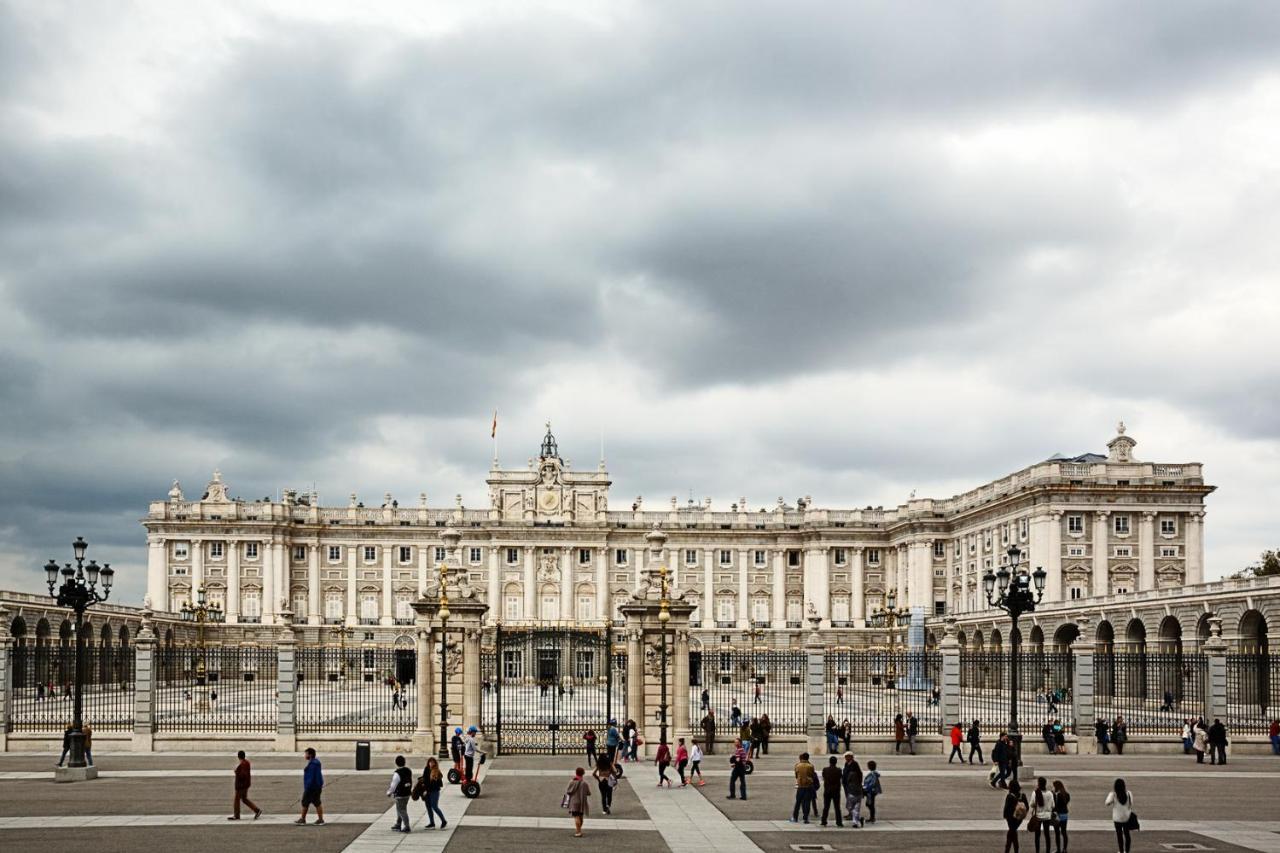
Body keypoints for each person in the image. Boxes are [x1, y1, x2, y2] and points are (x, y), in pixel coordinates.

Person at [228, 750, 262, 820]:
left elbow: (243, 775)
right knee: (244, 799)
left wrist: (236, 772)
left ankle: (236, 815)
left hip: (241, 786)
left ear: (238, 757)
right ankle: (257, 810)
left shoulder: (243, 764)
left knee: (236, 800)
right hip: (245, 785)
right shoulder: (246, 762)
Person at [295, 747, 325, 826]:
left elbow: (311, 777)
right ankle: (320, 819)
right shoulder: (315, 763)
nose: (305, 755)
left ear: (310, 755)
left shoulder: (313, 764)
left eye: (306, 754)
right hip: (316, 787)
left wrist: (307, 787)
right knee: (316, 802)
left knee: (305, 802)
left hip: (312, 787)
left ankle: (303, 819)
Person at [1104, 778, 1135, 853]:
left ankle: (1121, 851)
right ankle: (1127, 851)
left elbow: (1107, 803)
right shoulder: (1129, 794)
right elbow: (1131, 804)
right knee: (1127, 835)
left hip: (1117, 818)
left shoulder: (1113, 795)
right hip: (1127, 817)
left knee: (1119, 835)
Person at [386, 754, 413, 833]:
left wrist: (389, 792)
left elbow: (393, 785)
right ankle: (398, 824)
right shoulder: (408, 770)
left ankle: (406, 826)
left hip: (400, 794)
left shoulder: (397, 773)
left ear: (396, 763)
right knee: (400, 809)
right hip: (407, 793)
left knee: (401, 810)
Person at [564, 767, 591, 837]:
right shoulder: (584, 783)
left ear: (576, 773)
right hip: (582, 802)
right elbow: (588, 793)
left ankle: (578, 831)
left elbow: (568, 791)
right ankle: (579, 830)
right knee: (581, 817)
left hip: (574, 802)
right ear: (583, 774)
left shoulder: (571, 782)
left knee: (576, 817)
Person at [420, 757, 446, 829]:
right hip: (427, 792)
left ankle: (443, 821)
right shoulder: (426, 769)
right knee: (428, 807)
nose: (431, 764)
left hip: (434, 792)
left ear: (435, 763)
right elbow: (425, 781)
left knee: (434, 807)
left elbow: (439, 784)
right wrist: (424, 790)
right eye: (430, 762)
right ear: (428, 763)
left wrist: (436, 779)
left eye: (433, 762)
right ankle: (432, 823)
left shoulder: (437, 771)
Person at [790, 752, 816, 824]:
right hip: (808, 786)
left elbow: (796, 775)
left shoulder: (797, 765)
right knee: (807, 802)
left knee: (798, 802)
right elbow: (812, 775)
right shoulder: (810, 766)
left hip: (800, 786)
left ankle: (795, 817)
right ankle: (806, 818)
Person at [1003, 779, 1028, 853]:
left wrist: (1005, 816)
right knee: (1013, 834)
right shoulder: (1022, 796)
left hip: (1011, 818)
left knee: (1011, 834)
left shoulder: (1010, 796)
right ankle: (1014, 850)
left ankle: (1008, 850)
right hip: (1019, 818)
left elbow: (1006, 808)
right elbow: (1026, 806)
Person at [1030, 776, 1053, 853]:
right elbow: (1053, 805)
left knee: (1037, 836)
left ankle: (1037, 851)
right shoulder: (1050, 793)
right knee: (1047, 835)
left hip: (1038, 816)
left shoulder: (1035, 793)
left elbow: (1032, 804)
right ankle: (1048, 851)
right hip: (1047, 816)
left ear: (1038, 784)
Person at [820, 755, 844, 827]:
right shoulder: (839, 770)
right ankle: (839, 822)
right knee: (837, 807)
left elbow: (824, 777)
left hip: (827, 790)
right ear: (836, 762)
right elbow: (840, 777)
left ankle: (824, 821)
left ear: (829, 762)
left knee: (826, 807)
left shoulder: (825, 769)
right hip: (836, 790)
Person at [842, 751, 864, 827]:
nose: (846, 758)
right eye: (845, 757)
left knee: (851, 802)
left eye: (847, 757)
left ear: (851, 757)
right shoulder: (846, 763)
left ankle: (853, 816)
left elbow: (859, 774)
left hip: (852, 785)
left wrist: (859, 783)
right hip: (847, 785)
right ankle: (850, 814)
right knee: (849, 801)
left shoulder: (854, 764)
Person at [1051, 779, 1071, 853]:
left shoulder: (1056, 795)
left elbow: (1055, 806)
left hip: (1057, 815)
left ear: (1056, 787)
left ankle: (1058, 849)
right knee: (1064, 832)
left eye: (1053, 786)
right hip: (1064, 815)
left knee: (1057, 833)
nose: (1052, 788)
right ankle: (1065, 849)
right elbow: (1066, 802)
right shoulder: (1066, 794)